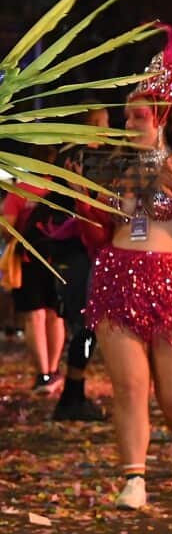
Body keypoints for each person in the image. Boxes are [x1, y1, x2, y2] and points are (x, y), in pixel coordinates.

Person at [76, 28, 172, 511]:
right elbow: (97, 239)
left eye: (138, 116)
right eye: (125, 116)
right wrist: (89, 207)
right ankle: (133, 478)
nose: (129, 123)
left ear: (163, 118)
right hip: (116, 279)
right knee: (128, 387)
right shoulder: (112, 169)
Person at [51, 106, 113, 421]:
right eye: (104, 122)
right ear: (91, 124)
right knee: (87, 325)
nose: (111, 127)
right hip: (79, 249)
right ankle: (71, 396)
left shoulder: (71, 156)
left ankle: (73, 394)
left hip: (72, 250)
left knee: (86, 326)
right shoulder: (83, 158)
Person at [2, 145, 69, 395]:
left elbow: (6, 228)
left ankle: (42, 373)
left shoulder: (18, 191)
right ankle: (53, 369)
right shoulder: (62, 190)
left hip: (30, 260)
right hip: (58, 260)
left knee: (34, 317)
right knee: (56, 316)